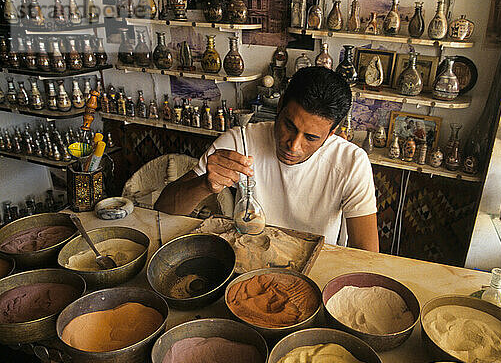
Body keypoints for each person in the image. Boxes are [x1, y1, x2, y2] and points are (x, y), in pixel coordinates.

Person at [155, 67, 379, 252]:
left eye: (311, 137)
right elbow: (163, 209)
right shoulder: (241, 141)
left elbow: (368, 254)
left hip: (318, 264)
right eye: (289, 126)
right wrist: (205, 184)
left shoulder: (351, 162)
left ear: (331, 133)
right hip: (252, 257)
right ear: (279, 107)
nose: (294, 145)